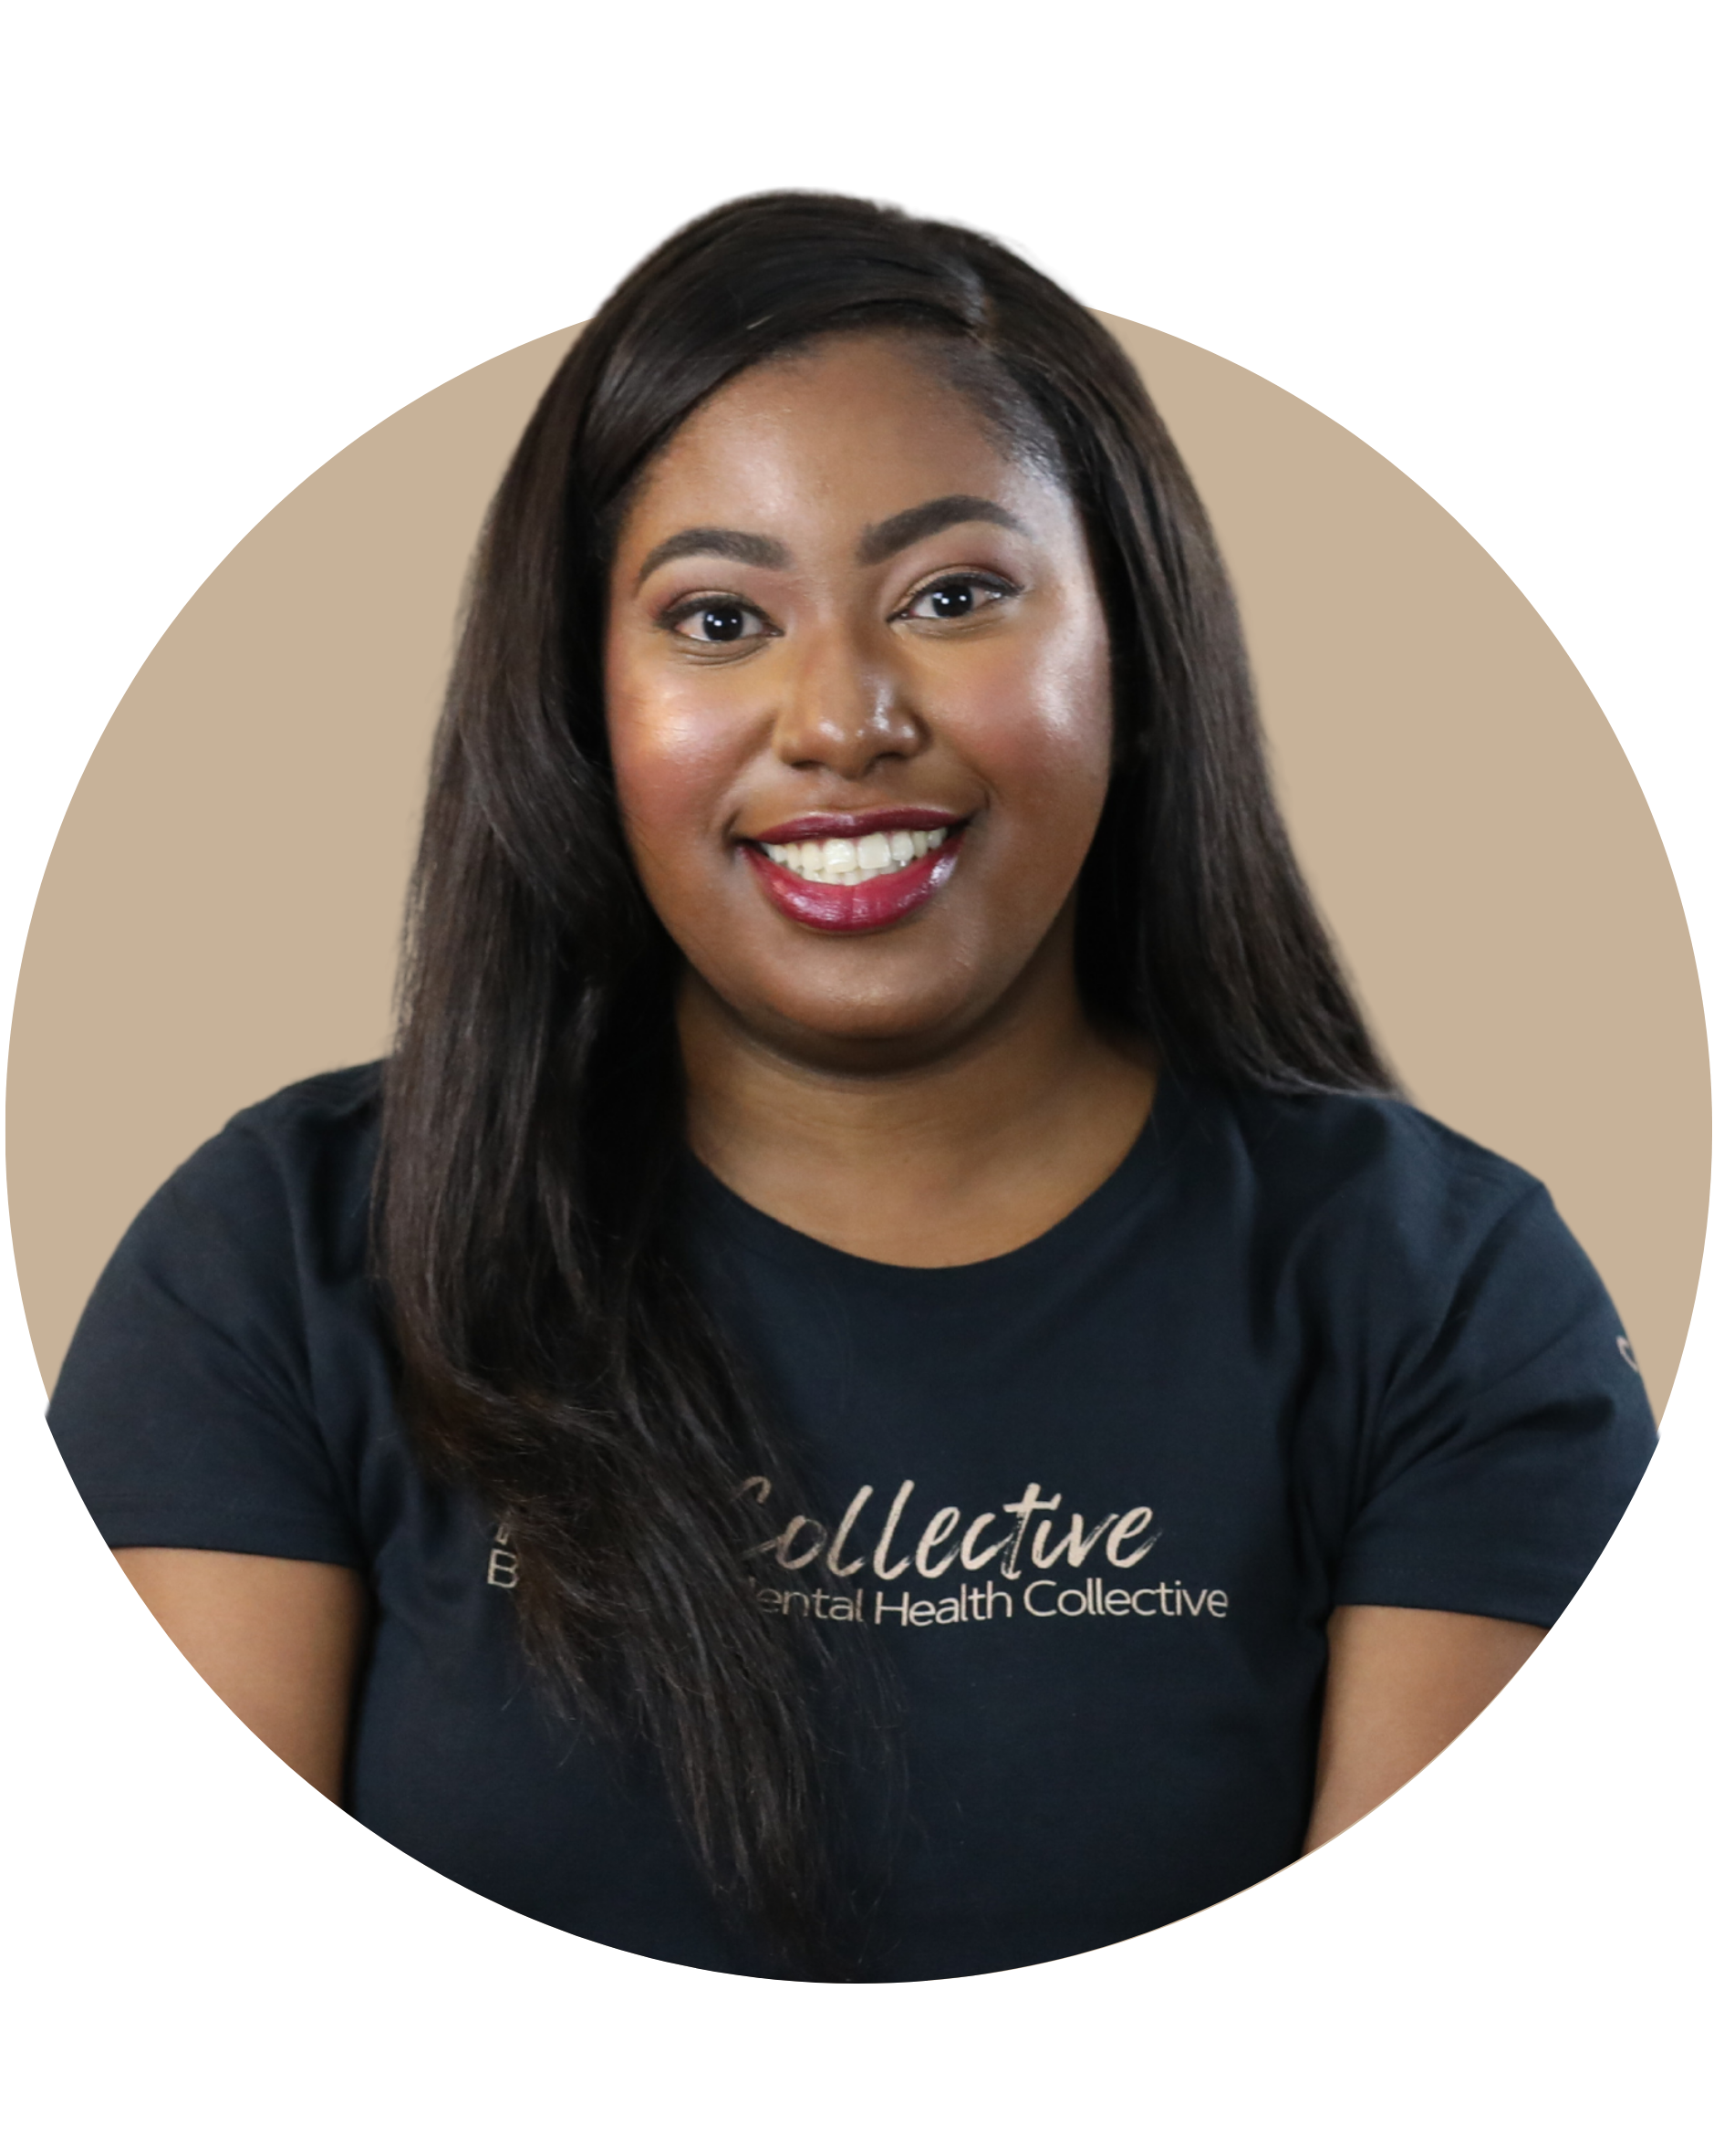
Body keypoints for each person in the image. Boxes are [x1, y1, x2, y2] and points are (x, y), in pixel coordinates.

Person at [48, 189, 1659, 1984]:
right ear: (583, 702)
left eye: (952, 594)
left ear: (1131, 645)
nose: (841, 718)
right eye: (719, 618)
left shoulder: (1441, 1291)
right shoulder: (271, 1263)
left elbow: (1432, 2002)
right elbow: (187, 1985)